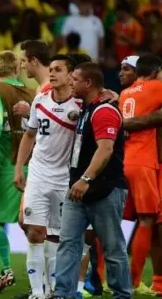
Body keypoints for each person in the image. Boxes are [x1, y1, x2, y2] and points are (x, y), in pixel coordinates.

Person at [54, 62, 131, 299]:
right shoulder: (88, 108)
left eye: (75, 79)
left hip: (104, 190)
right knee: (68, 244)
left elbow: (106, 149)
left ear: (88, 83)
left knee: (113, 248)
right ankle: (62, 294)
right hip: (77, 190)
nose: (70, 82)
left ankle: (122, 295)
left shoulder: (104, 111)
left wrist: (86, 179)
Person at [14, 55, 80, 298]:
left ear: (71, 75)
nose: (52, 74)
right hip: (39, 175)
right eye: (50, 69)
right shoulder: (40, 101)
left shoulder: (79, 106)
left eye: (58, 70)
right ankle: (37, 292)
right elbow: (29, 135)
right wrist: (20, 167)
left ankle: (53, 290)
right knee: (34, 231)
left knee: (56, 235)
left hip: (65, 178)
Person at [0, 50, 34, 294]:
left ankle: (6, 269)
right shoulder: (30, 93)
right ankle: (45, 278)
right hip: (32, 165)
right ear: (17, 68)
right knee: (30, 223)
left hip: (7, 165)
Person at [118, 54, 162, 295]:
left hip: (125, 160)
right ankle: (134, 281)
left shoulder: (125, 93)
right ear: (155, 71)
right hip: (145, 161)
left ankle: (102, 278)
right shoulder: (157, 87)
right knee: (148, 220)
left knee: (115, 221)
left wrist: (127, 124)